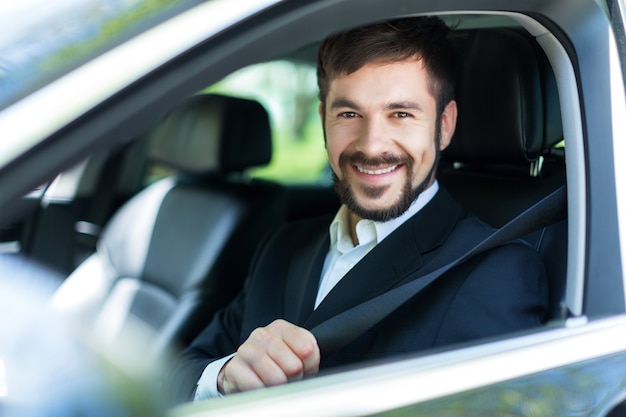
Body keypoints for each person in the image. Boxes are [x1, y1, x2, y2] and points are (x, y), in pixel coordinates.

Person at [166, 16, 548, 402]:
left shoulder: (494, 271)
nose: (372, 144)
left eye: (401, 114)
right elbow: (179, 370)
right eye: (349, 114)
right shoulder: (281, 248)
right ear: (323, 120)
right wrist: (225, 376)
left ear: (444, 125)